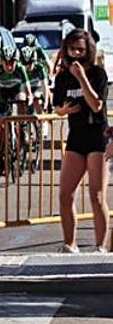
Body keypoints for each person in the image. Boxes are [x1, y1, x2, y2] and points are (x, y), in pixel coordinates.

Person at [53, 29, 108, 253]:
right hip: (76, 137)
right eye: (72, 49)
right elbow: (57, 107)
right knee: (65, 194)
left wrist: (82, 78)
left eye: (81, 50)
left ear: (88, 52)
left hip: (97, 136)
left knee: (96, 195)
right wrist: (63, 110)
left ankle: (100, 246)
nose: (76, 54)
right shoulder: (62, 77)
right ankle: (70, 243)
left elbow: (97, 105)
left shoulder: (97, 74)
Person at [0, 46, 32, 116]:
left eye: (12, 63)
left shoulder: (20, 68)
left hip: (17, 89)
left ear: (16, 61)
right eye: (6, 63)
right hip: (2, 90)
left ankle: (22, 123)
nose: (9, 67)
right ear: (1, 62)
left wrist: (29, 98)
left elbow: (28, 89)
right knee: (0, 116)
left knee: (21, 100)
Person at [21, 46, 51, 114]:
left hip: (38, 87)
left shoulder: (39, 68)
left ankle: (41, 121)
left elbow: (45, 87)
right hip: (26, 88)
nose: (27, 66)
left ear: (34, 61)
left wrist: (46, 103)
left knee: (36, 98)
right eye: (25, 64)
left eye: (30, 63)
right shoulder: (21, 69)